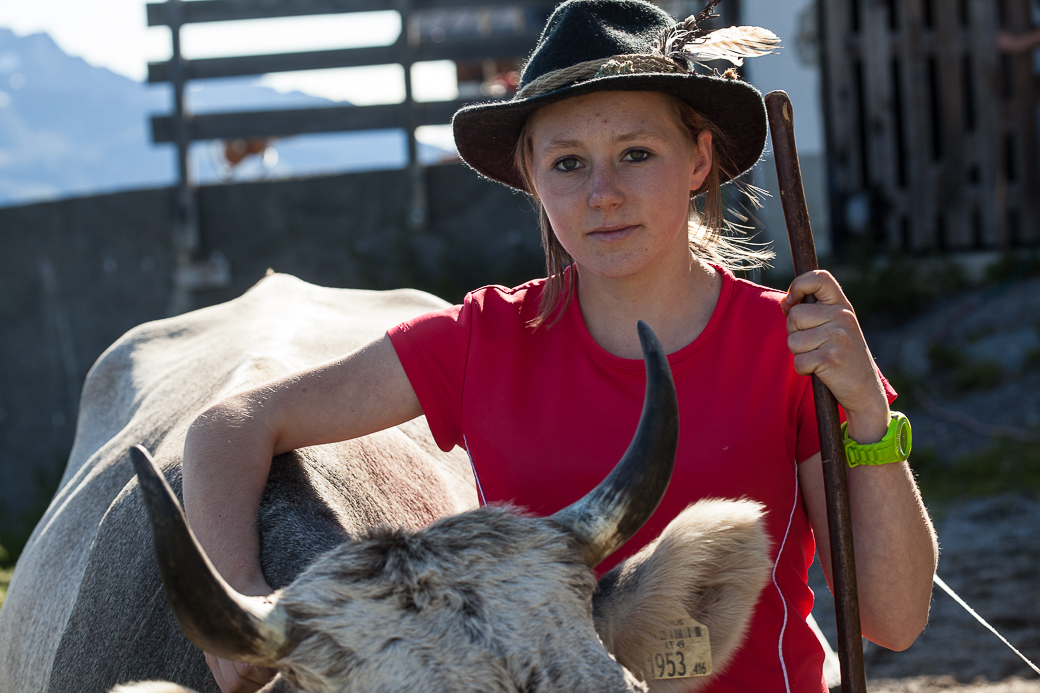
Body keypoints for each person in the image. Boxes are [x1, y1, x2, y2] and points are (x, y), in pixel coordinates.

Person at [182, 0, 938, 691]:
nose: (602, 193)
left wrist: (868, 412)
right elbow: (228, 426)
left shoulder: (792, 347)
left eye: (637, 153)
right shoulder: (483, 340)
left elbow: (894, 619)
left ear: (700, 159)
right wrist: (242, 620)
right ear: (531, 179)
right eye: (568, 163)